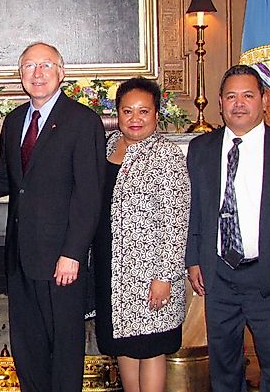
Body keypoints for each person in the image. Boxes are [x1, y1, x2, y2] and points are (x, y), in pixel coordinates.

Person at [185, 64, 270, 392]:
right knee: (224, 369)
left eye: (247, 95)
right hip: (219, 279)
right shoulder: (202, 149)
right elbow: (196, 210)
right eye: (231, 96)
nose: (238, 103)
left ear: (264, 99)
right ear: (220, 102)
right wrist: (193, 259)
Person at [0, 42, 105, 392]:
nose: (37, 74)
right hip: (20, 259)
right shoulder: (13, 122)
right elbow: (7, 180)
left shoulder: (82, 121)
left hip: (61, 261)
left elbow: (89, 195)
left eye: (45, 66)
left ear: (61, 72)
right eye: (29, 66)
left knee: (65, 348)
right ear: (20, 75)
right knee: (28, 349)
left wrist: (72, 253)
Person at [93, 77, 190, 392]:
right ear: (117, 114)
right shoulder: (107, 147)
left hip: (150, 273)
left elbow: (178, 222)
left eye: (143, 112)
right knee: (123, 346)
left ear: (156, 115)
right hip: (112, 269)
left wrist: (165, 276)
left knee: (150, 348)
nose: (135, 119)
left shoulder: (167, 155)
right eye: (127, 111)